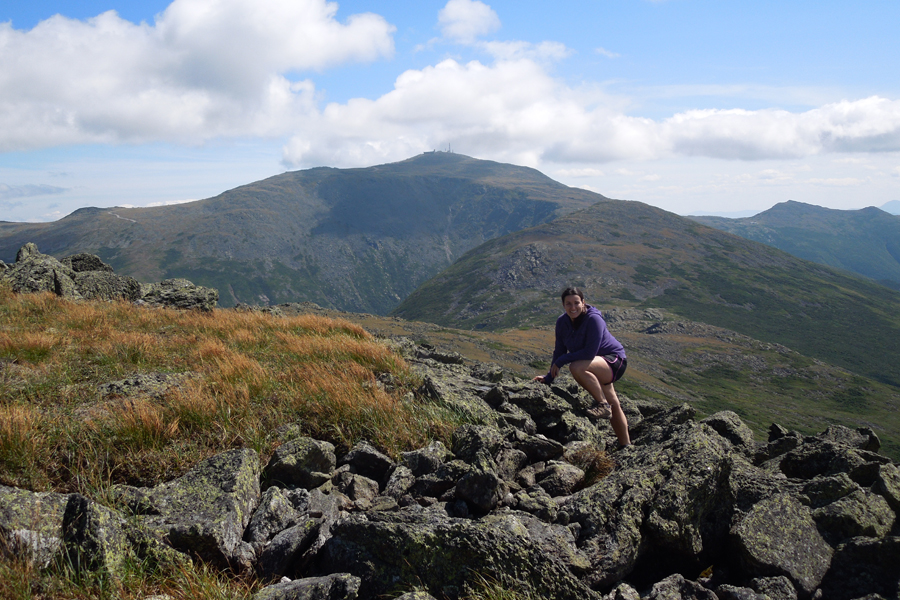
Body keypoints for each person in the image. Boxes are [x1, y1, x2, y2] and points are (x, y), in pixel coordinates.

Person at [533, 286, 631, 448]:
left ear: (583, 302)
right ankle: (626, 446)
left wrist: (563, 360)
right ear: (563, 305)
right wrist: (548, 377)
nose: (573, 307)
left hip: (614, 361)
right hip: (595, 364)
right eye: (568, 304)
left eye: (576, 303)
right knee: (614, 402)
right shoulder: (562, 322)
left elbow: (589, 352)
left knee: (576, 367)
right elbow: (559, 350)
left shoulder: (594, 319)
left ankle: (602, 405)